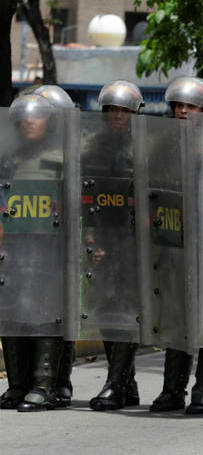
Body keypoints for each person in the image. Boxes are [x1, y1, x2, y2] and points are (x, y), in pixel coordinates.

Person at [149, 76, 203, 413]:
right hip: (175, 241)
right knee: (177, 315)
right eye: (178, 105)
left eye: (190, 106)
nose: (182, 111)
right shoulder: (162, 142)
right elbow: (153, 181)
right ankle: (171, 389)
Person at [0, 94, 68, 411]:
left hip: (49, 249)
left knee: (45, 313)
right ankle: (16, 385)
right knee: (12, 312)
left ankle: (43, 385)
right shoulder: (8, 160)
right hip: (12, 249)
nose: (29, 121)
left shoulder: (61, 159)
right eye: (24, 117)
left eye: (37, 116)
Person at [84, 80, 144, 411]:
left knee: (125, 308)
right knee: (107, 309)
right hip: (107, 239)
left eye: (124, 111)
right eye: (111, 110)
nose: (117, 116)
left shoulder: (147, 146)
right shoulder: (94, 148)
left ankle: (116, 382)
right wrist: (93, 241)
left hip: (138, 240)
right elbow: (88, 197)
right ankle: (125, 381)